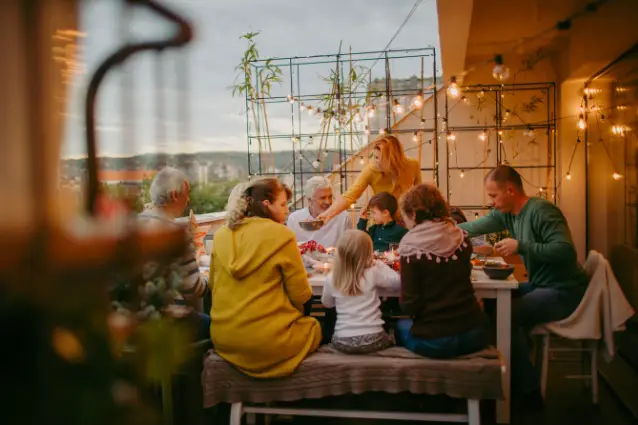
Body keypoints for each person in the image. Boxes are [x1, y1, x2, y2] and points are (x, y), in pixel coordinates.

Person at [457, 165, 589, 407]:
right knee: (490, 305)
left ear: (510, 190)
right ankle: (509, 371)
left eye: (493, 196)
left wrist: (521, 246)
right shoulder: (506, 213)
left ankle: (528, 392)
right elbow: (473, 228)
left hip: (564, 290)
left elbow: (566, 251)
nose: (491, 202)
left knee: (504, 316)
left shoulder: (542, 211)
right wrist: (439, 230)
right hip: (540, 284)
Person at [210, 177, 322, 378]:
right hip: (267, 342)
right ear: (266, 205)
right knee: (316, 326)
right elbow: (301, 296)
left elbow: (212, 284)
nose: (287, 210)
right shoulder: (281, 235)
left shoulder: (221, 235)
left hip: (225, 340)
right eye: (282, 204)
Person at [395, 183, 488, 359]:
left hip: (435, 341)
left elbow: (409, 304)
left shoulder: (411, 246)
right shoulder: (460, 236)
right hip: (475, 334)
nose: (405, 223)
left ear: (413, 214)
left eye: (404, 216)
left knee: (399, 327)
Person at [137, 167, 209, 339]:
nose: (189, 199)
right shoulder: (173, 234)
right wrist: (210, 278)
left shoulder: (134, 223)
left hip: (135, 321)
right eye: (187, 193)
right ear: (175, 195)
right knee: (220, 329)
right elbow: (194, 290)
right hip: (165, 322)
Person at [321, 230, 400, 354]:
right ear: (368, 253)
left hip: (342, 341)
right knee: (394, 335)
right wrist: (379, 264)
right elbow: (397, 283)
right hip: (374, 339)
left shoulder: (331, 278)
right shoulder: (373, 272)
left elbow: (327, 304)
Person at [318, 135, 422, 223]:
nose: (376, 161)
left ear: (393, 158)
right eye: (375, 157)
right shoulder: (371, 170)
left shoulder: (413, 165)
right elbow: (350, 195)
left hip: (406, 221)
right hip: (380, 223)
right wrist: (328, 214)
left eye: (380, 158)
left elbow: (420, 195)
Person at [287, 176, 352, 247]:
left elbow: (349, 249)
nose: (328, 202)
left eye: (330, 197)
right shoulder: (294, 219)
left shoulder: (343, 217)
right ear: (309, 200)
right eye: (322, 198)